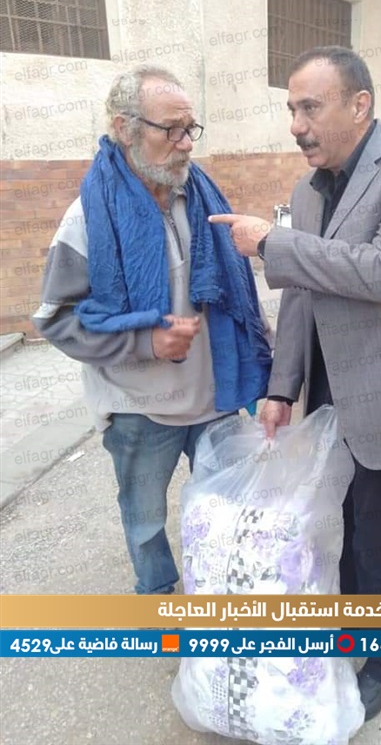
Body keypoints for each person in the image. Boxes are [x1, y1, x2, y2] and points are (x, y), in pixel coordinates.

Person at [209, 46, 381, 722]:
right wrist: (281, 387)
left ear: (360, 105)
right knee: (337, 524)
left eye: (310, 107)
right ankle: (353, 629)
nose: (297, 125)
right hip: (327, 389)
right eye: (291, 109)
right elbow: (302, 291)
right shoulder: (308, 189)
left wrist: (271, 243)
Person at [33, 65, 272, 595]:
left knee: (226, 511)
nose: (186, 143)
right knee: (145, 524)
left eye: (191, 128)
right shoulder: (88, 217)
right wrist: (143, 342)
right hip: (140, 410)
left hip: (215, 399)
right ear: (125, 128)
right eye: (172, 129)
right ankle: (158, 599)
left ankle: (218, 593)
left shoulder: (203, 198)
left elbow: (238, 294)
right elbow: (57, 318)